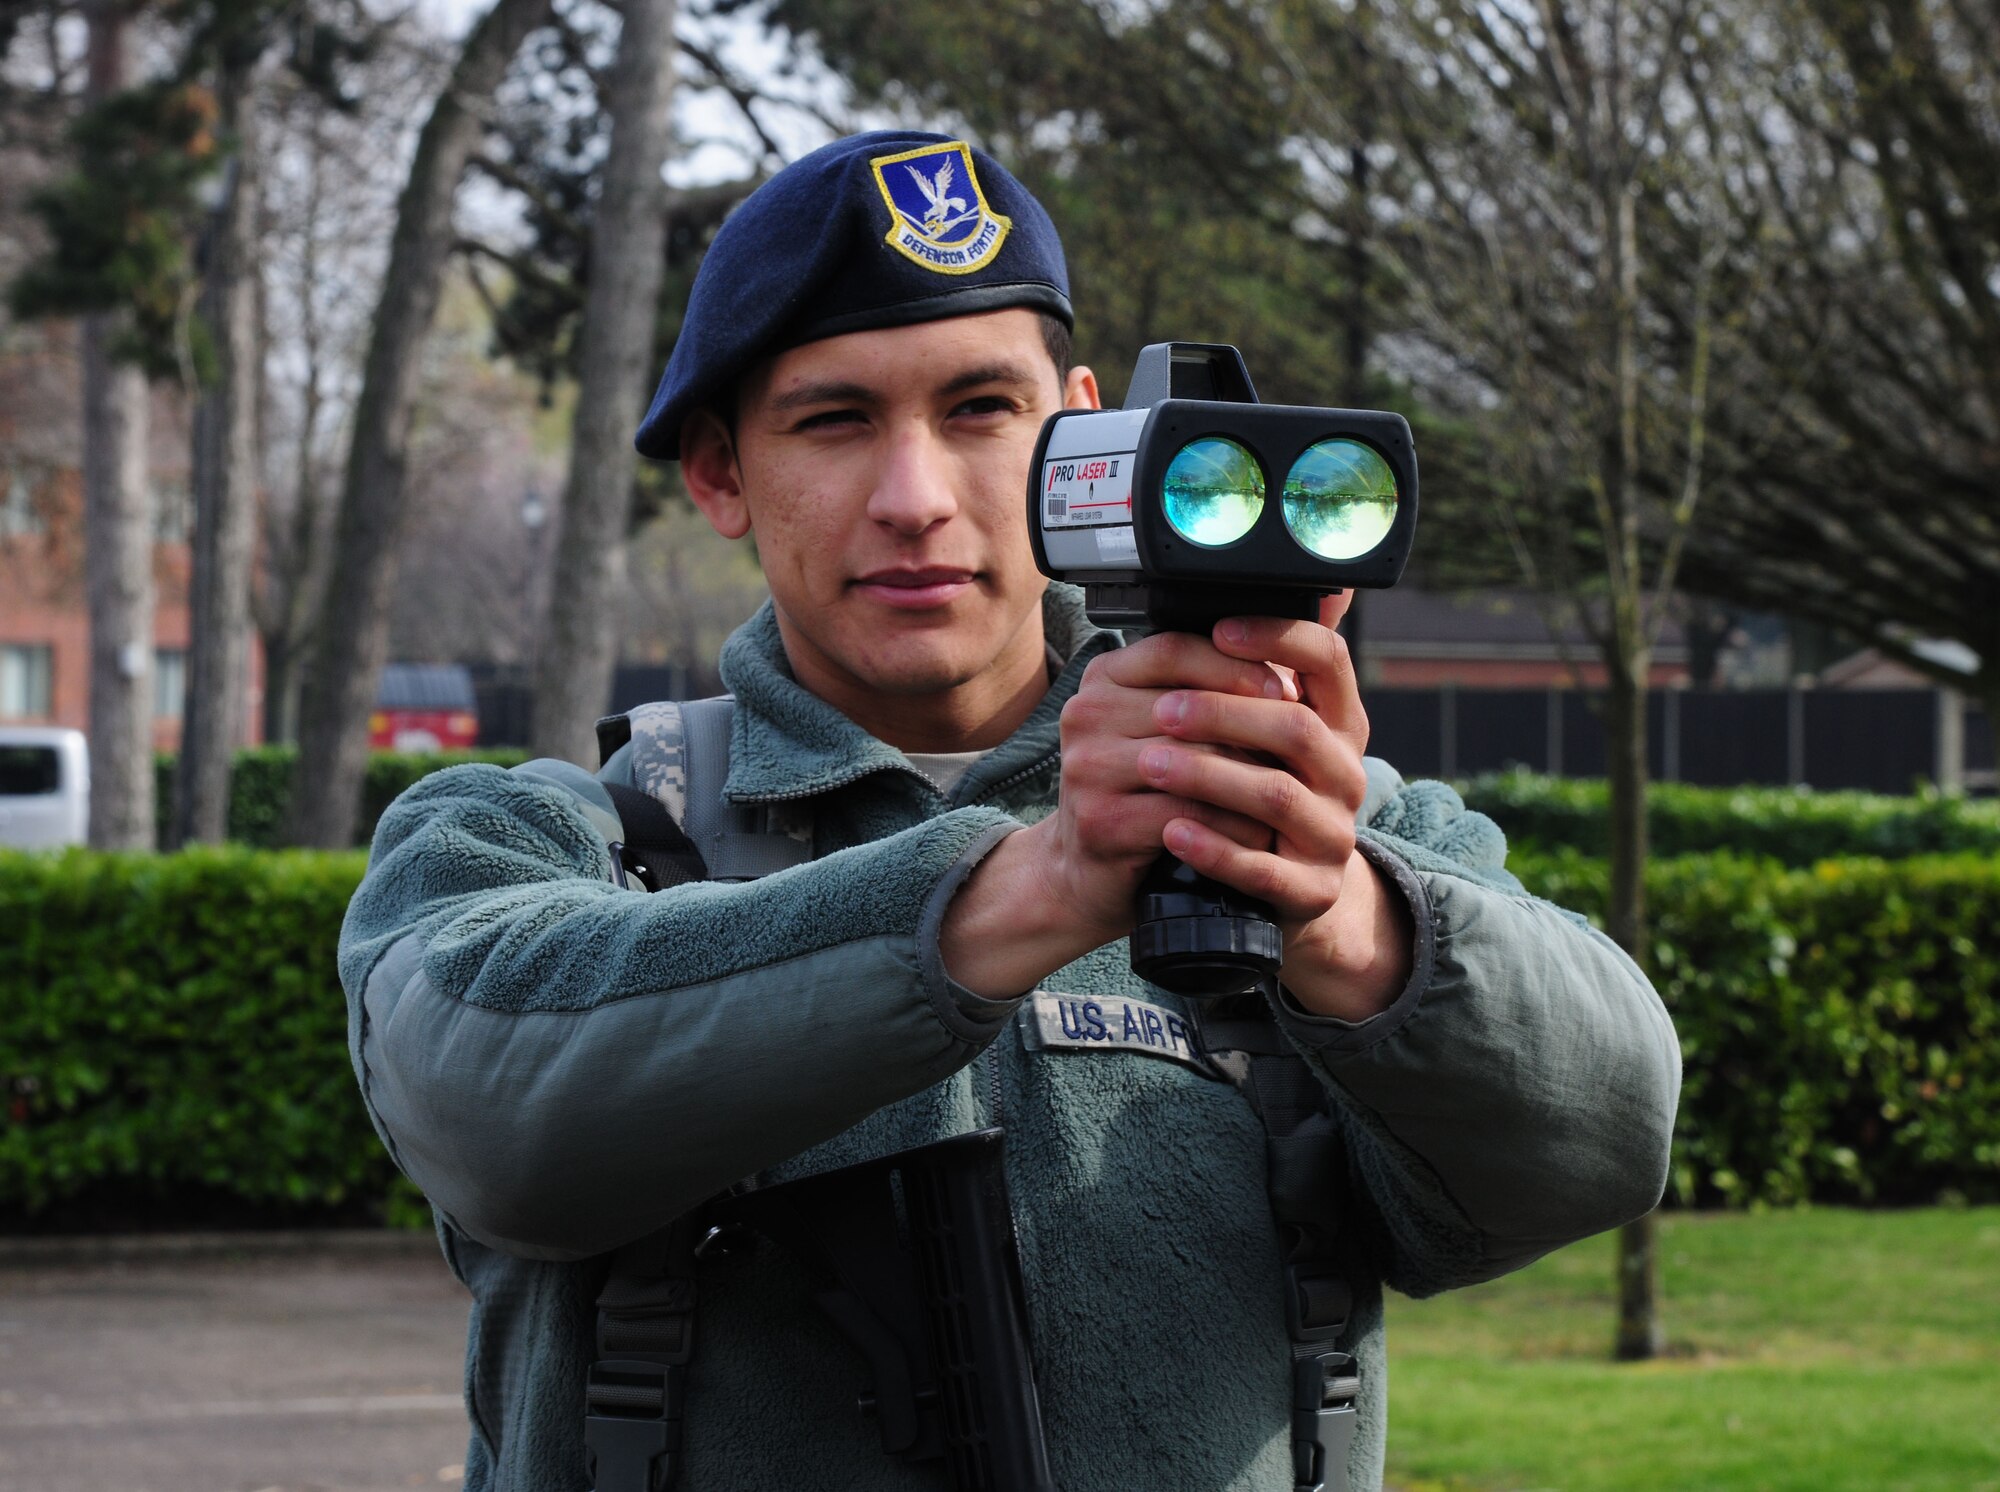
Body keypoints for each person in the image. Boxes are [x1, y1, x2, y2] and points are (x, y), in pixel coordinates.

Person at [338, 131, 1680, 1492]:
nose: (916, 500)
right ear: (719, 472)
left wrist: (1339, 925)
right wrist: (1025, 892)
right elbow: (489, 1113)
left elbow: (1610, 1133)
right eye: (834, 420)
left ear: (1084, 439)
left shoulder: (1338, 835)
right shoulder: (547, 843)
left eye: (981, 408)